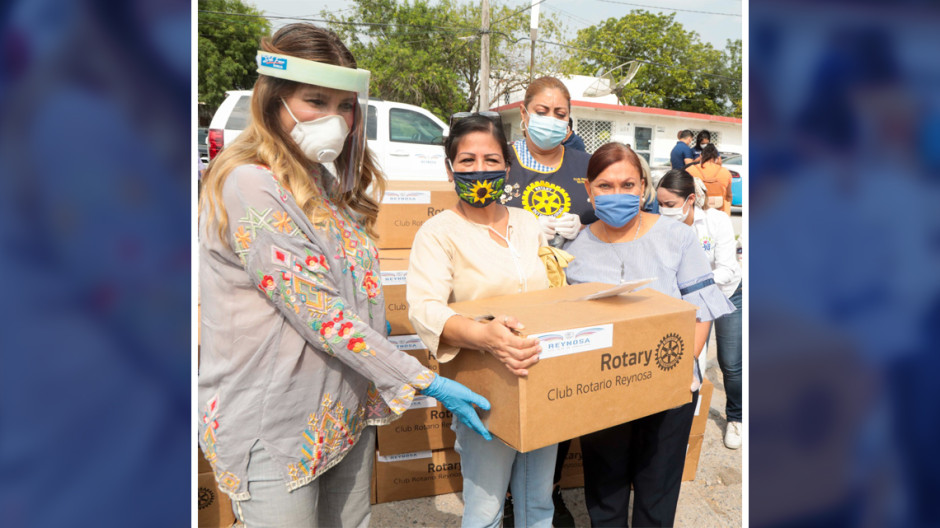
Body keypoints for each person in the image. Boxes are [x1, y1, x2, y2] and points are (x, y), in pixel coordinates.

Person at [197, 24, 491, 527]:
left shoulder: (324, 182)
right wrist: (424, 380)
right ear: (273, 101)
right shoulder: (251, 183)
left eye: (346, 105)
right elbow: (322, 315)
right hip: (277, 424)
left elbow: (352, 295)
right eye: (316, 101)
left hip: (342, 410)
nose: (335, 119)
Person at [563, 143, 734, 527]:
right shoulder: (574, 245)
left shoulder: (676, 236)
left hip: (669, 383)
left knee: (657, 490)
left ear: (643, 188)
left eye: (628, 184)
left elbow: (700, 309)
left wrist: (682, 369)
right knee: (605, 491)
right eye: (605, 186)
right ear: (588, 190)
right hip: (602, 387)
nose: (617, 194)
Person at [406, 113, 557, 528]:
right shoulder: (439, 233)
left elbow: (551, 287)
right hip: (485, 388)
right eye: (467, 160)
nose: (479, 170)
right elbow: (425, 308)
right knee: (486, 510)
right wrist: (484, 335)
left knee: (538, 502)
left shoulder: (527, 223)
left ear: (508, 166)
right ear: (450, 167)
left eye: (491, 160)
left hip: (541, 377)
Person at [657, 170, 743, 450]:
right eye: (659, 204)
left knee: (730, 363)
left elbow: (729, 270)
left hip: (726, 294)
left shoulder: (716, 222)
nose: (663, 211)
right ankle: (686, 420)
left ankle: (736, 418)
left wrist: (691, 284)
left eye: (670, 205)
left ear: (690, 200)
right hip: (689, 302)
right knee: (688, 359)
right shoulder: (663, 226)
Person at [502, 76, 594, 251]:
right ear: (523, 113)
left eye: (560, 114)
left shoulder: (587, 165)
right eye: (542, 112)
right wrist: (522, 229)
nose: (551, 120)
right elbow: (479, 223)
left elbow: (610, 223)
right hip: (513, 271)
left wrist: (583, 228)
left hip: (574, 273)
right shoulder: (500, 161)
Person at [685, 143, 734, 214]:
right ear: (716, 158)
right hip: (719, 211)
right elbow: (729, 195)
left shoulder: (690, 170)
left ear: (701, 156)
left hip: (696, 211)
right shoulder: (725, 172)